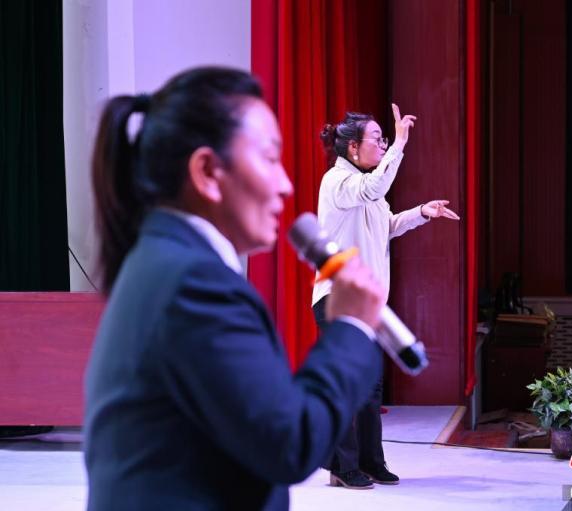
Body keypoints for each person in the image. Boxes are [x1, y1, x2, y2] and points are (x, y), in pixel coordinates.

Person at [84, 67, 387, 511]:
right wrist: (351, 328)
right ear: (207, 171)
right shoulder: (195, 285)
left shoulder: (166, 260)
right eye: (269, 159)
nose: (285, 185)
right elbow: (288, 442)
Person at [312, 105, 460, 489]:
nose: (383, 144)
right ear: (352, 147)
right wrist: (401, 144)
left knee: (370, 387)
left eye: (385, 139)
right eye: (378, 139)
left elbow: (387, 225)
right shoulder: (338, 182)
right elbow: (373, 188)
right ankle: (341, 467)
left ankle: (369, 461)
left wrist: (422, 212)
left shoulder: (368, 189)